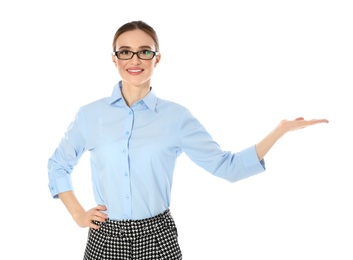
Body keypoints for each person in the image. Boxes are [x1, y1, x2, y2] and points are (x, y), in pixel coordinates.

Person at [47, 20, 329, 260]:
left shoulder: (177, 118)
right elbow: (58, 164)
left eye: (144, 52)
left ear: (157, 58)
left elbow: (226, 167)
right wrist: (78, 214)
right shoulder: (90, 115)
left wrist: (279, 131)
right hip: (105, 239)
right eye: (125, 52)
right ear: (114, 58)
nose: (135, 60)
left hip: (158, 238)